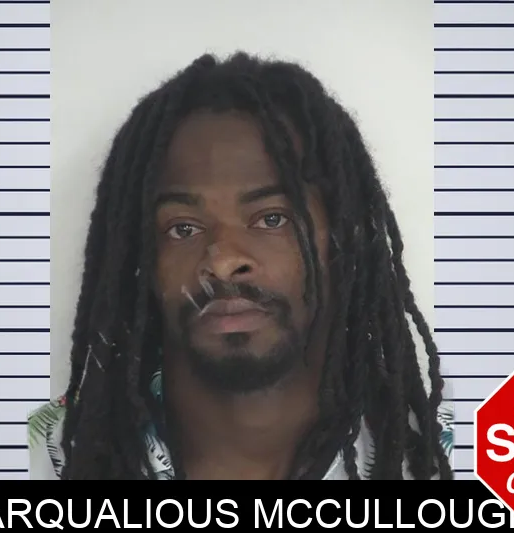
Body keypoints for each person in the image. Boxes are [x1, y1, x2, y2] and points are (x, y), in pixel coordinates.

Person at [29, 52, 454, 480]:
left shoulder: (450, 457)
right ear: (141, 259)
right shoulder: (46, 456)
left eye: (272, 219)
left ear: (346, 237)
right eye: (182, 228)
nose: (223, 261)